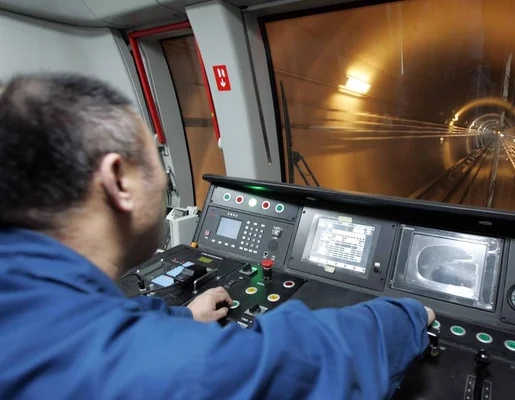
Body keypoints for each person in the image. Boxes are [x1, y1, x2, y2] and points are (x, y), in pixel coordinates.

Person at [0, 73, 435, 399]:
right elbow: (301, 363)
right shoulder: (139, 369)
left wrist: (183, 318)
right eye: (157, 162)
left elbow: (108, 327)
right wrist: (409, 316)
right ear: (119, 181)